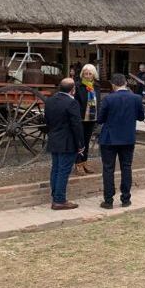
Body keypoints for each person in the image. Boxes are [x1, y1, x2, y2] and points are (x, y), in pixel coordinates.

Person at [97, 73, 145, 209]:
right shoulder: (136, 98)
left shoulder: (108, 99)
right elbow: (141, 117)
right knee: (126, 167)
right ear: (125, 83)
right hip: (128, 138)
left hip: (109, 138)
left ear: (113, 84)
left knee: (108, 169)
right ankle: (125, 198)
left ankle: (108, 200)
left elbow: (100, 119)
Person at [44, 78, 84, 210]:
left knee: (55, 169)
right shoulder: (72, 103)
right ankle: (59, 200)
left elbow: (47, 120)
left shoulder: (50, 100)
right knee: (63, 171)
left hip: (54, 138)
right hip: (67, 141)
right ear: (73, 90)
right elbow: (76, 125)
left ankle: (56, 196)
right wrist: (81, 144)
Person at [73, 63, 101, 176]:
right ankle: (78, 163)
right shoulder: (78, 86)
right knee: (80, 142)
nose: (88, 76)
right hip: (81, 118)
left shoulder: (96, 86)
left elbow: (98, 101)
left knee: (87, 141)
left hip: (91, 118)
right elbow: (75, 103)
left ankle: (84, 162)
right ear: (82, 74)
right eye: (86, 73)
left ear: (94, 75)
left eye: (90, 74)